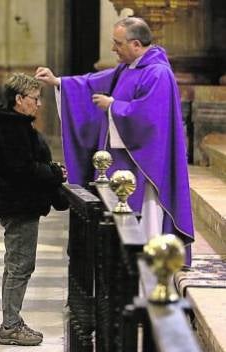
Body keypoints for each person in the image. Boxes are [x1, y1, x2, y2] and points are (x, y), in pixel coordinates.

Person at [35, 17, 194, 264]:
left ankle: (145, 268)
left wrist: (113, 106)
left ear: (137, 45)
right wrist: (59, 83)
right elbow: (91, 82)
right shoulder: (128, 67)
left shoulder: (158, 73)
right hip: (121, 165)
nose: (113, 49)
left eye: (118, 43)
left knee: (145, 226)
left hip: (144, 167)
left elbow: (150, 119)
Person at [0, 73, 66, 346]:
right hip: (18, 203)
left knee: (17, 264)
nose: (38, 104)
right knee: (20, 265)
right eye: (34, 99)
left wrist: (50, 171)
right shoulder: (10, 129)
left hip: (19, 202)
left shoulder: (15, 124)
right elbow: (22, 170)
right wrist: (52, 172)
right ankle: (10, 326)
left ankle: (12, 320)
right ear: (19, 100)